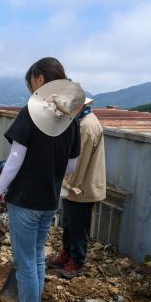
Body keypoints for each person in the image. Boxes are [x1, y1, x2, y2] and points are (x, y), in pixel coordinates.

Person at [0, 57, 84, 302]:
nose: (31, 90)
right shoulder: (71, 118)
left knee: (25, 260)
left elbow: (14, 159)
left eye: (31, 83)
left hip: (25, 199)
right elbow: (72, 164)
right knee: (37, 257)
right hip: (50, 200)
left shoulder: (32, 113)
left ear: (39, 79)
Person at [47, 97, 106, 278]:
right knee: (69, 223)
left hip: (82, 186)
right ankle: (67, 253)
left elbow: (79, 163)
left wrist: (66, 184)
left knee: (79, 225)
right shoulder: (82, 122)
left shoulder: (86, 127)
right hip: (75, 185)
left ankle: (77, 260)